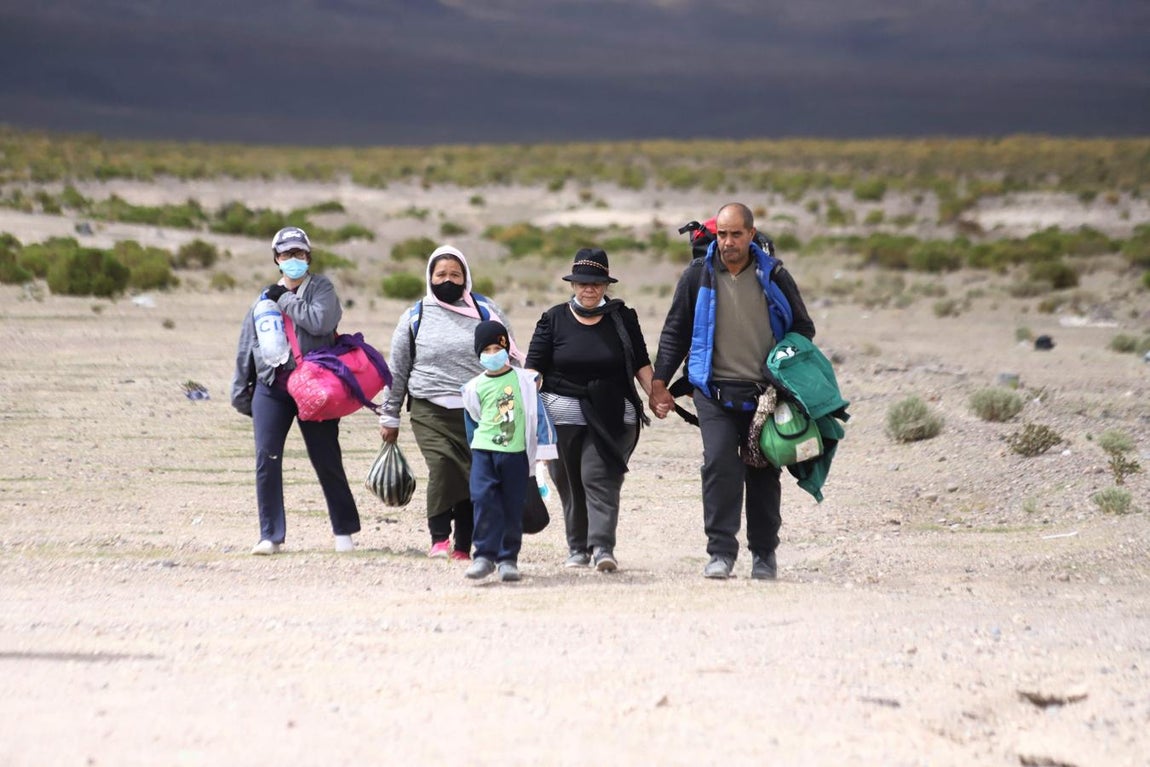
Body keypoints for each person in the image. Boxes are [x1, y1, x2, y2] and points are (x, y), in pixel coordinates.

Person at [649, 203, 816, 580]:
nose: (728, 242)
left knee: (763, 471)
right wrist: (660, 381)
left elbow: (803, 328)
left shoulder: (774, 275)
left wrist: (784, 369)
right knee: (720, 464)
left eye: (736, 234)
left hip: (766, 394)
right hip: (712, 389)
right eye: (722, 234)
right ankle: (720, 553)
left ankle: (763, 556)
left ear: (751, 235)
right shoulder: (698, 275)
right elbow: (675, 331)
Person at [379, 245, 522, 561]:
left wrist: (522, 399)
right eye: (440, 274)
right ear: (430, 276)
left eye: (454, 274)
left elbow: (511, 357)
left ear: (466, 277)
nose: (448, 280)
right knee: (444, 467)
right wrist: (390, 415)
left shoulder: (486, 311)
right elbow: (398, 368)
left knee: (475, 475)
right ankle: (440, 538)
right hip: (429, 408)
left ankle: (463, 546)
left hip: (480, 409)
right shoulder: (415, 315)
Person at [230, 226, 361, 555]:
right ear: (276, 258)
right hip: (272, 385)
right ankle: (270, 534)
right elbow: (249, 343)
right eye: (287, 254)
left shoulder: (322, 289)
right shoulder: (263, 298)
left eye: (299, 254)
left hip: (315, 385)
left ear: (309, 256)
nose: (293, 260)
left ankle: (343, 532)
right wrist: (240, 391)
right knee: (266, 458)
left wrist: (284, 299)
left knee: (326, 456)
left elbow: (319, 322)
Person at [526, 248, 653, 572]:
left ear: (606, 285)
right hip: (561, 415)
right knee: (568, 482)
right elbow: (534, 370)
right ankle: (577, 548)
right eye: (583, 282)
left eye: (597, 282)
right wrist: (527, 409)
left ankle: (602, 548)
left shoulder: (622, 318)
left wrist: (657, 394)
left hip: (611, 412)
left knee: (598, 475)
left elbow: (640, 362)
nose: (589, 289)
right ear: (573, 284)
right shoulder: (552, 319)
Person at [461, 321, 557, 582]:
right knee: (482, 499)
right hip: (484, 452)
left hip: (515, 454)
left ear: (507, 348)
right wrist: (474, 452)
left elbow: (539, 415)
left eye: (497, 348)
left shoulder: (525, 381)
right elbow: (472, 421)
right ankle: (483, 556)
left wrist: (545, 449)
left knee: (512, 505)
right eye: (487, 350)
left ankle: (507, 559)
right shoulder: (472, 387)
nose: (493, 355)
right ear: (478, 353)